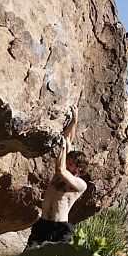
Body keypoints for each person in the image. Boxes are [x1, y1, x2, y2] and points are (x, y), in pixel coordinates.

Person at [27, 104, 87, 246]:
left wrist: (63, 147)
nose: (67, 164)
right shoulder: (61, 174)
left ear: (79, 169)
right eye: (68, 161)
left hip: (60, 228)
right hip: (43, 224)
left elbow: (60, 169)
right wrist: (74, 120)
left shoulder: (79, 184)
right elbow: (68, 139)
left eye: (71, 164)